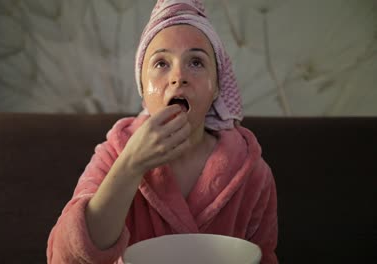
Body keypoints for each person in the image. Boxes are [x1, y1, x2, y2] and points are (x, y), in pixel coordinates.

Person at [47, 0, 278, 263]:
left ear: (216, 88)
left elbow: (264, 257)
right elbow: (67, 257)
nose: (178, 76)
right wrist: (131, 165)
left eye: (196, 62)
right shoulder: (115, 152)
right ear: (142, 88)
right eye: (161, 64)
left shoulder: (253, 173)